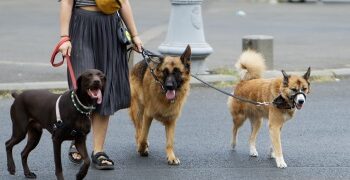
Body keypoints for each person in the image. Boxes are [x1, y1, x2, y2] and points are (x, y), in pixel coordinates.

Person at [58, 0, 142, 170]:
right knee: (84, 87)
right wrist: (64, 38)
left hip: (109, 26)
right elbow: (67, 2)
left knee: (105, 89)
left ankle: (99, 151)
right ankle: (78, 139)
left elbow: (123, 2)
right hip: (82, 24)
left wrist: (135, 36)